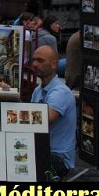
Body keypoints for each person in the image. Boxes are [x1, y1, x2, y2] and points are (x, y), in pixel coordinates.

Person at [30, 45, 77, 179]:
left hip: (57, 157)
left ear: (54, 64)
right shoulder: (38, 90)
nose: (34, 64)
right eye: (34, 60)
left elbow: (44, 119)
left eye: (40, 61)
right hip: (44, 151)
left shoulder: (60, 92)